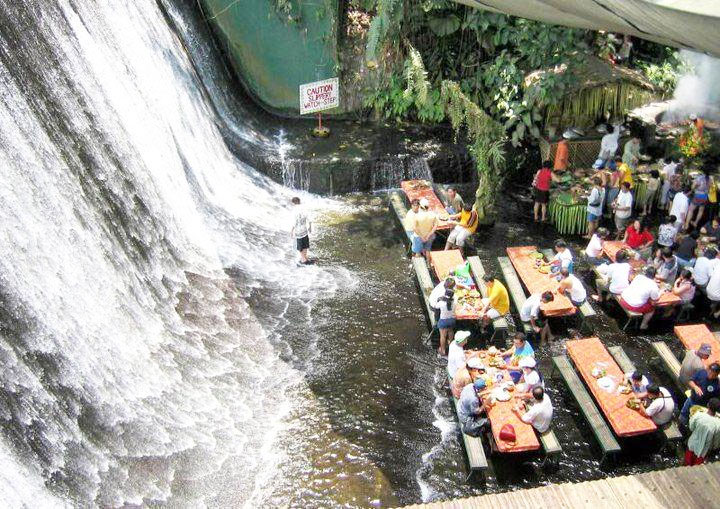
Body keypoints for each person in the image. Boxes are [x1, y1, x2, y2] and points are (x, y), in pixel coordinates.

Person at [685, 397, 720, 465]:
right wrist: (713, 447)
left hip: (692, 444)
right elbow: (716, 441)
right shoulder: (718, 423)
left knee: (687, 464)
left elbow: (691, 427)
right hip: (703, 451)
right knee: (697, 467)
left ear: (707, 405)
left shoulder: (698, 415)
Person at [290, 196, 312, 264]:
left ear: (294, 203)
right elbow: (309, 218)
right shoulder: (304, 208)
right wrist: (310, 227)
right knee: (305, 244)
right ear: (299, 201)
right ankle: (305, 257)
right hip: (304, 230)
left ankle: (303, 260)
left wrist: (291, 230)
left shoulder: (295, 210)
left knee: (300, 245)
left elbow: (294, 222)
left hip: (298, 231)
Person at [436, 287, 456, 355]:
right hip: (452, 320)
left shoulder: (441, 302)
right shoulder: (454, 301)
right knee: (450, 331)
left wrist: (440, 299)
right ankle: (451, 346)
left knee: (443, 336)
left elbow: (436, 306)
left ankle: (443, 350)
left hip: (443, 321)